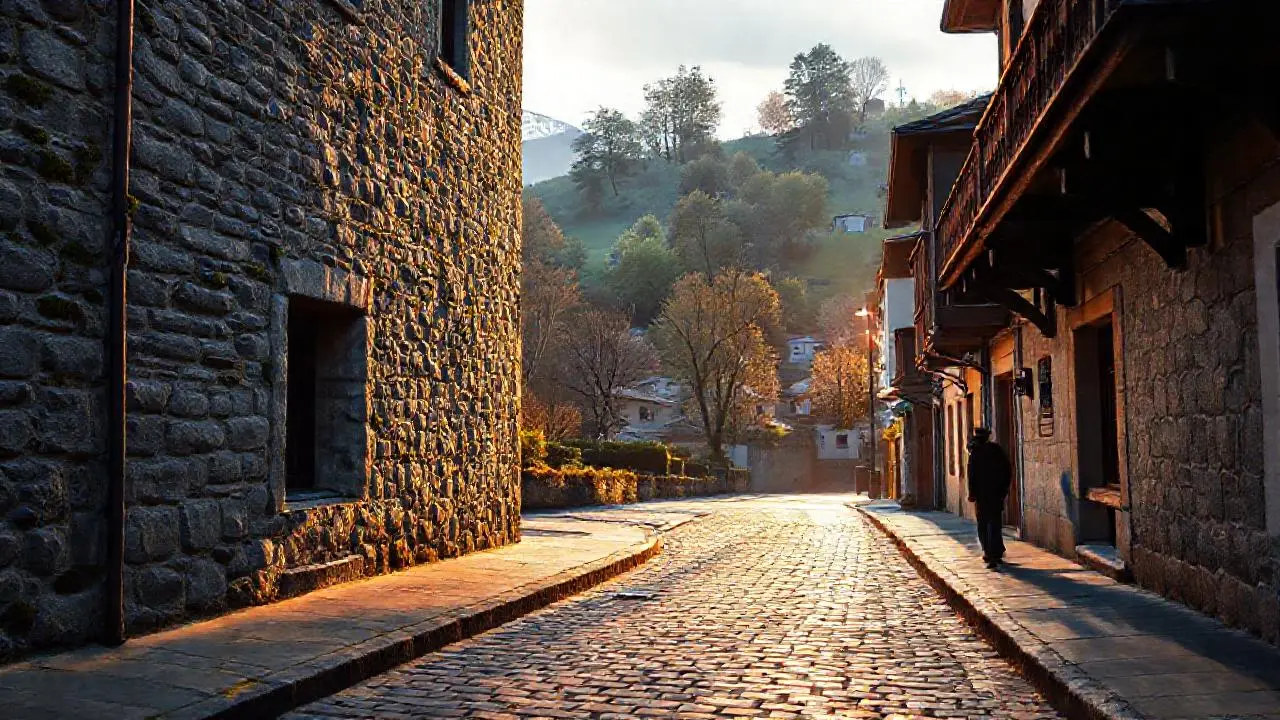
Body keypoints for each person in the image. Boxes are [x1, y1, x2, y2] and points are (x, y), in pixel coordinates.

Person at [967, 427, 1012, 569]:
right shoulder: (996, 450)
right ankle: (996, 552)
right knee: (995, 523)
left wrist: (972, 493)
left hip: (983, 495)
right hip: (996, 493)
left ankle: (989, 552)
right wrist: (1004, 489)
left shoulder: (975, 452)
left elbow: (972, 475)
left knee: (984, 524)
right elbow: (1007, 470)